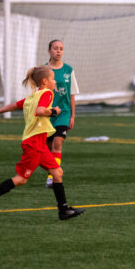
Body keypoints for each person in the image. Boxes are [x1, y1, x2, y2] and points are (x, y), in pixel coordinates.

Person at [0, 66, 85, 220]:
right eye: (53, 78)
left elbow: (15, 105)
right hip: (34, 144)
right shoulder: (47, 93)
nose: (55, 81)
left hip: (38, 143)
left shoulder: (33, 96)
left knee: (57, 172)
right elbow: (40, 111)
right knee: (21, 179)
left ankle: (64, 210)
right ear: (45, 81)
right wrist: (54, 111)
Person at [44, 39, 79, 188]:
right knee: (48, 147)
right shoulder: (43, 70)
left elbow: (72, 94)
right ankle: (53, 172)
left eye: (61, 48)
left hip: (63, 113)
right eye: (55, 48)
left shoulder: (68, 70)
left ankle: (52, 177)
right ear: (49, 51)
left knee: (57, 143)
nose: (59, 51)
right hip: (47, 114)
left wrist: (72, 115)